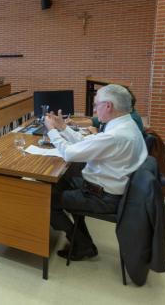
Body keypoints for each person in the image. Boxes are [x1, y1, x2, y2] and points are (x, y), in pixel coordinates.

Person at [44, 84, 147, 261]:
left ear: (108, 106)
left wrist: (52, 131)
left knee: (44, 199)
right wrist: (63, 128)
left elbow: (70, 153)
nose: (94, 109)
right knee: (57, 183)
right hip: (107, 189)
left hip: (103, 197)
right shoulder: (126, 125)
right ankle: (81, 238)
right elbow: (88, 142)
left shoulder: (116, 135)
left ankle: (82, 245)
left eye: (96, 104)